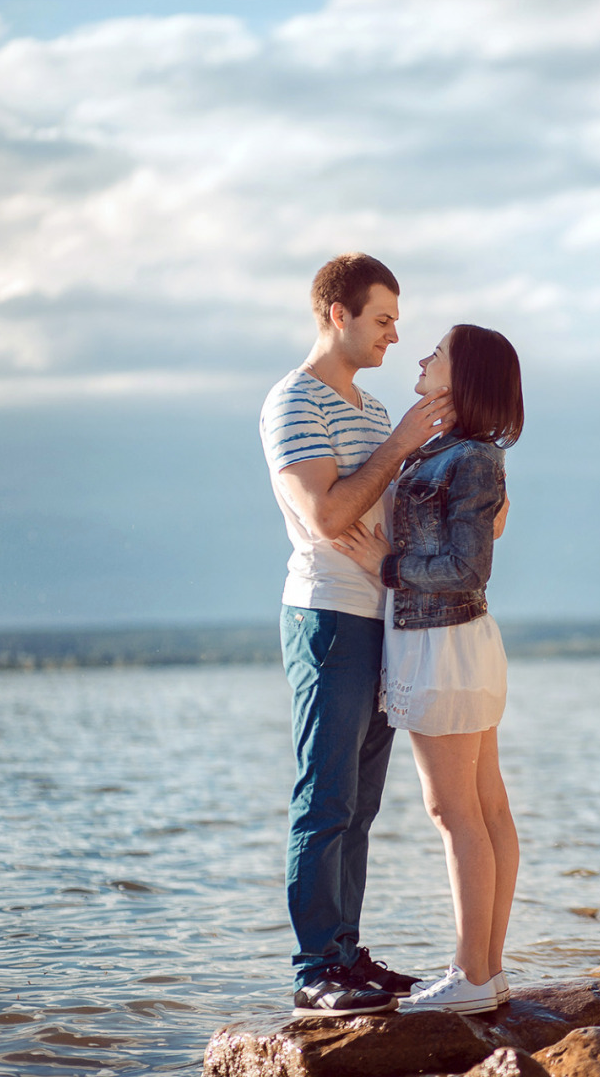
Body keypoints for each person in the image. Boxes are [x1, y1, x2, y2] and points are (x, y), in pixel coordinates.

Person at [258, 253, 455, 1016]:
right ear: (337, 315)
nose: (394, 336)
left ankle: (346, 953)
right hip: (326, 615)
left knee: (362, 803)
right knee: (325, 796)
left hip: (383, 618)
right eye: (382, 320)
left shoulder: (373, 412)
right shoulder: (292, 403)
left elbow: (394, 503)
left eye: (398, 322)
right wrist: (403, 441)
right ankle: (314, 970)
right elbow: (330, 515)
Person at [332, 323, 523, 1014]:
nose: (419, 357)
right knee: (485, 808)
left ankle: (471, 974)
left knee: (456, 812)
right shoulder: (450, 452)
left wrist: (380, 565)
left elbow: (467, 567)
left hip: (443, 642)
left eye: (435, 354)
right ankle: (487, 972)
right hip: (448, 642)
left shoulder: (470, 458)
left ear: (462, 376)